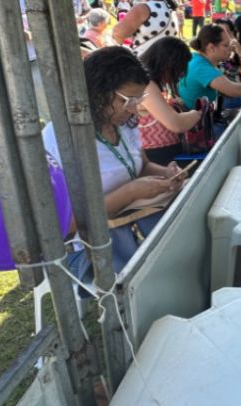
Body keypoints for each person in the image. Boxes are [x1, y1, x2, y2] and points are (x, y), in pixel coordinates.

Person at [42, 47, 185, 280]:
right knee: (163, 272)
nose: (134, 108)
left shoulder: (122, 123)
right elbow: (65, 223)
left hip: (134, 225)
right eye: (128, 100)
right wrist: (129, 193)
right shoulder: (61, 139)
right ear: (98, 93)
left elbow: (142, 165)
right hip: (89, 247)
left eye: (139, 99)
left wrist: (167, 174)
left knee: (180, 253)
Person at [177, 24, 241, 110]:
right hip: (198, 127)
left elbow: (230, 87)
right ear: (211, 47)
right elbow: (235, 90)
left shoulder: (198, 59)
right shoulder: (201, 67)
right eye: (225, 45)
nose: (230, 48)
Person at [138, 37, 201, 165]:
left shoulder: (150, 84)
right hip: (158, 157)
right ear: (167, 65)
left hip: (163, 154)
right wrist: (197, 114)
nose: (178, 76)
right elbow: (176, 123)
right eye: (178, 70)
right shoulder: (146, 86)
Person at [112, 0, 180, 56]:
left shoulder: (143, 8)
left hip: (144, 63)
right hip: (166, 62)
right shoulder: (169, 8)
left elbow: (118, 33)